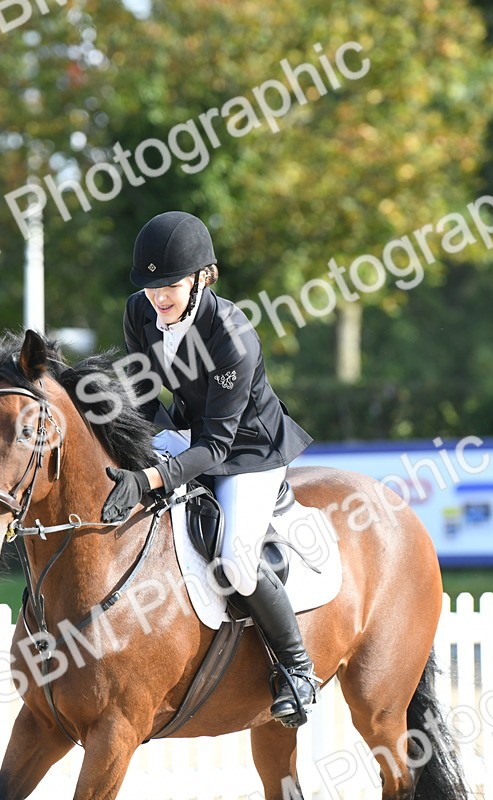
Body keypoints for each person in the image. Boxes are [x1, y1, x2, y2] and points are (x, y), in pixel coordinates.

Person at [100, 210, 320, 727]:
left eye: (170, 284)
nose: (159, 297)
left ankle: (297, 668)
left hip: (247, 452)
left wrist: (150, 479)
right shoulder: (139, 312)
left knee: (237, 561)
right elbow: (143, 399)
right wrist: (137, 452)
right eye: (151, 285)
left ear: (203, 277)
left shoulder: (232, 335)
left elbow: (218, 450)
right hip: (189, 433)